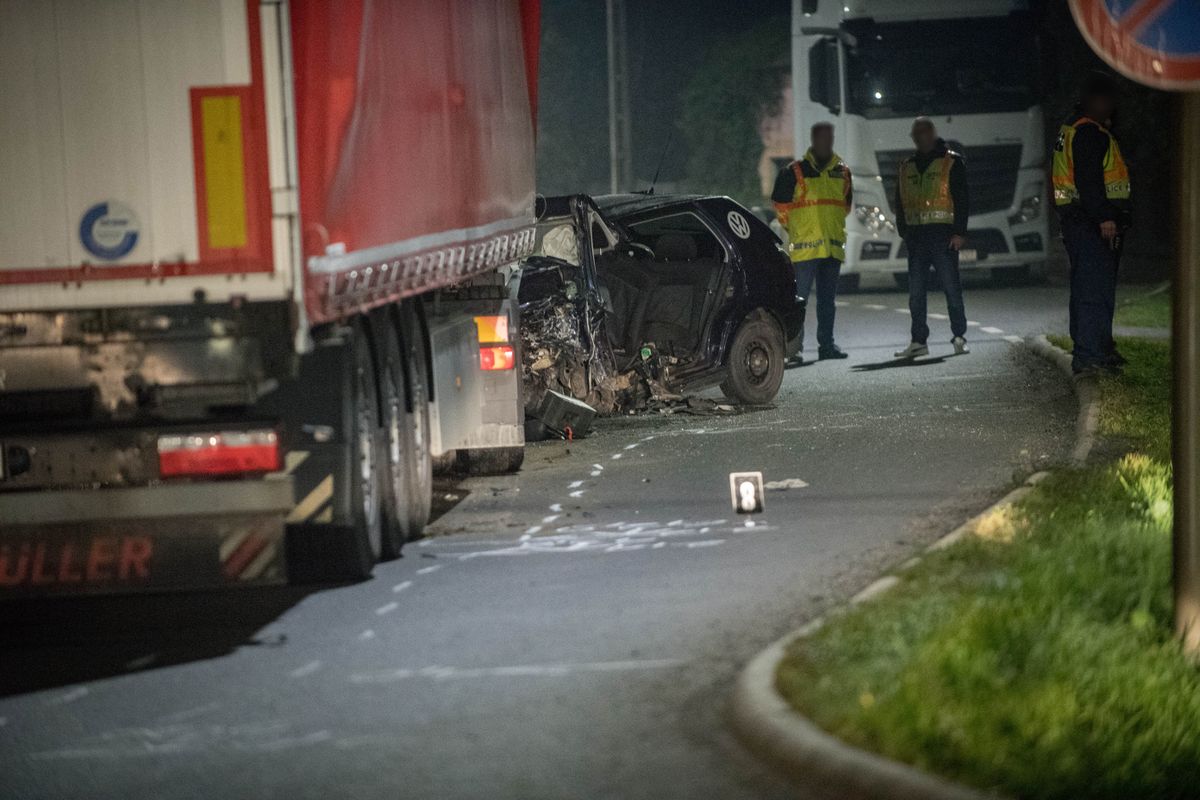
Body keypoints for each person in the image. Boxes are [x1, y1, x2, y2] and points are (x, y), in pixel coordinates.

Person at [1052, 71, 1132, 375]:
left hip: (1079, 221)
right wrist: (1105, 217)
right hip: (1091, 223)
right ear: (1094, 100)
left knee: (1091, 289)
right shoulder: (1088, 133)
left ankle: (1099, 348)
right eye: (1108, 100)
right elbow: (1089, 181)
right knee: (1093, 291)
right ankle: (1090, 355)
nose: (1112, 106)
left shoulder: (1074, 128)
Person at [771, 121, 852, 362]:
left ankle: (826, 346)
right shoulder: (793, 172)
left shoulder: (842, 172)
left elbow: (844, 207)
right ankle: (793, 349)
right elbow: (781, 209)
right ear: (814, 140)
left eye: (830, 138)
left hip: (831, 248)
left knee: (828, 303)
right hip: (805, 250)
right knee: (798, 303)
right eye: (823, 138)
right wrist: (800, 229)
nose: (827, 142)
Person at [893, 117, 970, 358]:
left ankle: (959, 336)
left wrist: (959, 232)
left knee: (951, 289)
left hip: (943, 236)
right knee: (916, 294)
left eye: (924, 133)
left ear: (932, 134)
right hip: (916, 238)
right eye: (916, 135)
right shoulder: (907, 166)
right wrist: (903, 231)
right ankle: (918, 341)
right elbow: (900, 200)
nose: (920, 138)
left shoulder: (951, 163)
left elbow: (962, 199)